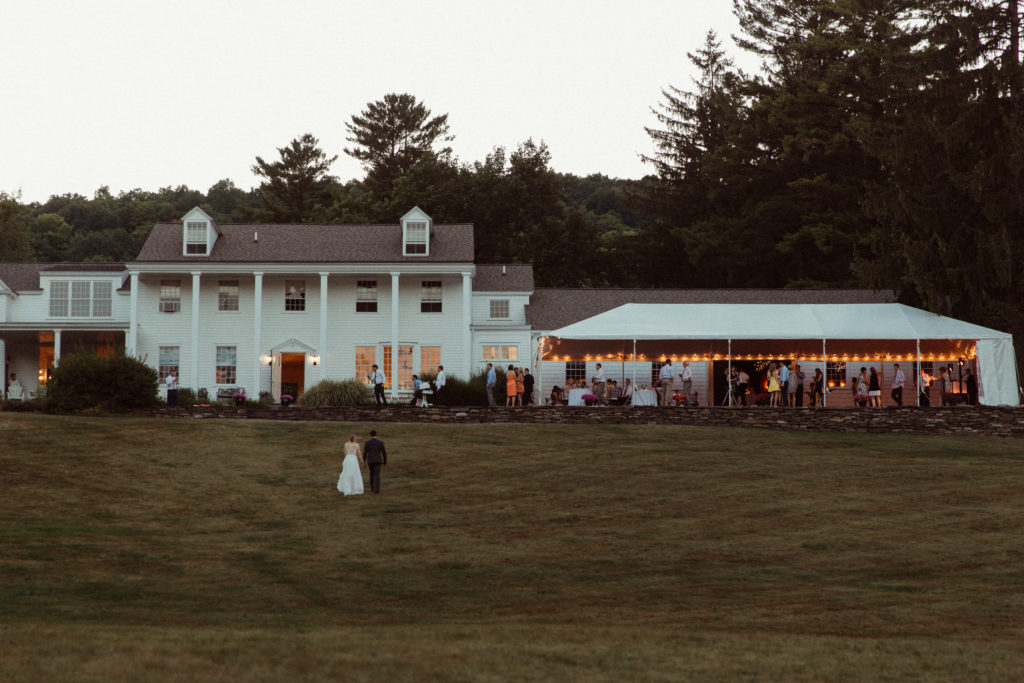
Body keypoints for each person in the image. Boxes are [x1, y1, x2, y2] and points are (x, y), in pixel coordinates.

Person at [363, 429, 387, 494]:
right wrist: (385, 461)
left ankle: (372, 488)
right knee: (377, 474)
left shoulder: (367, 442)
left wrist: (363, 461)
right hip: (378, 460)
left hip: (370, 460)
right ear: (376, 434)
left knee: (371, 474)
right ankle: (376, 490)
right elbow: (384, 452)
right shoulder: (380, 442)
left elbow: (365, 453)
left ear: (370, 435)